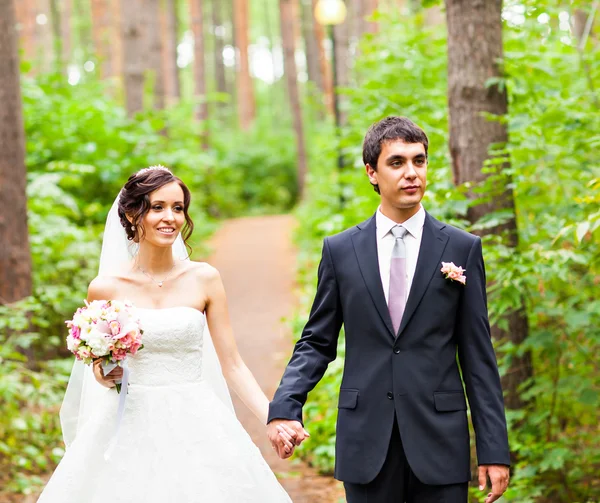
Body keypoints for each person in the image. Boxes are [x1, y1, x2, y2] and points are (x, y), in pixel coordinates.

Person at [267, 117, 511, 503]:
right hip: (366, 441)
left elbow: (479, 356)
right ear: (372, 173)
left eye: (419, 161)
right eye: (397, 162)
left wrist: (494, 449)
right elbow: (317, 342)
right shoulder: (341, 251)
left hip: (440, 443)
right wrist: (285, 406)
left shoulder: (462, 249)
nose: (411, 173)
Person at [38, 166, 295, 502]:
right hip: (127, 423)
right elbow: (99, 370)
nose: (170, 218)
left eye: (178, 208)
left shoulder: (204, 279)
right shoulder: (105, 288)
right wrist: (104, 373)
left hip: (197, 422)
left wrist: (273, 419)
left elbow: (232, 364)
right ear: (132, 214)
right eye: (157, 207)